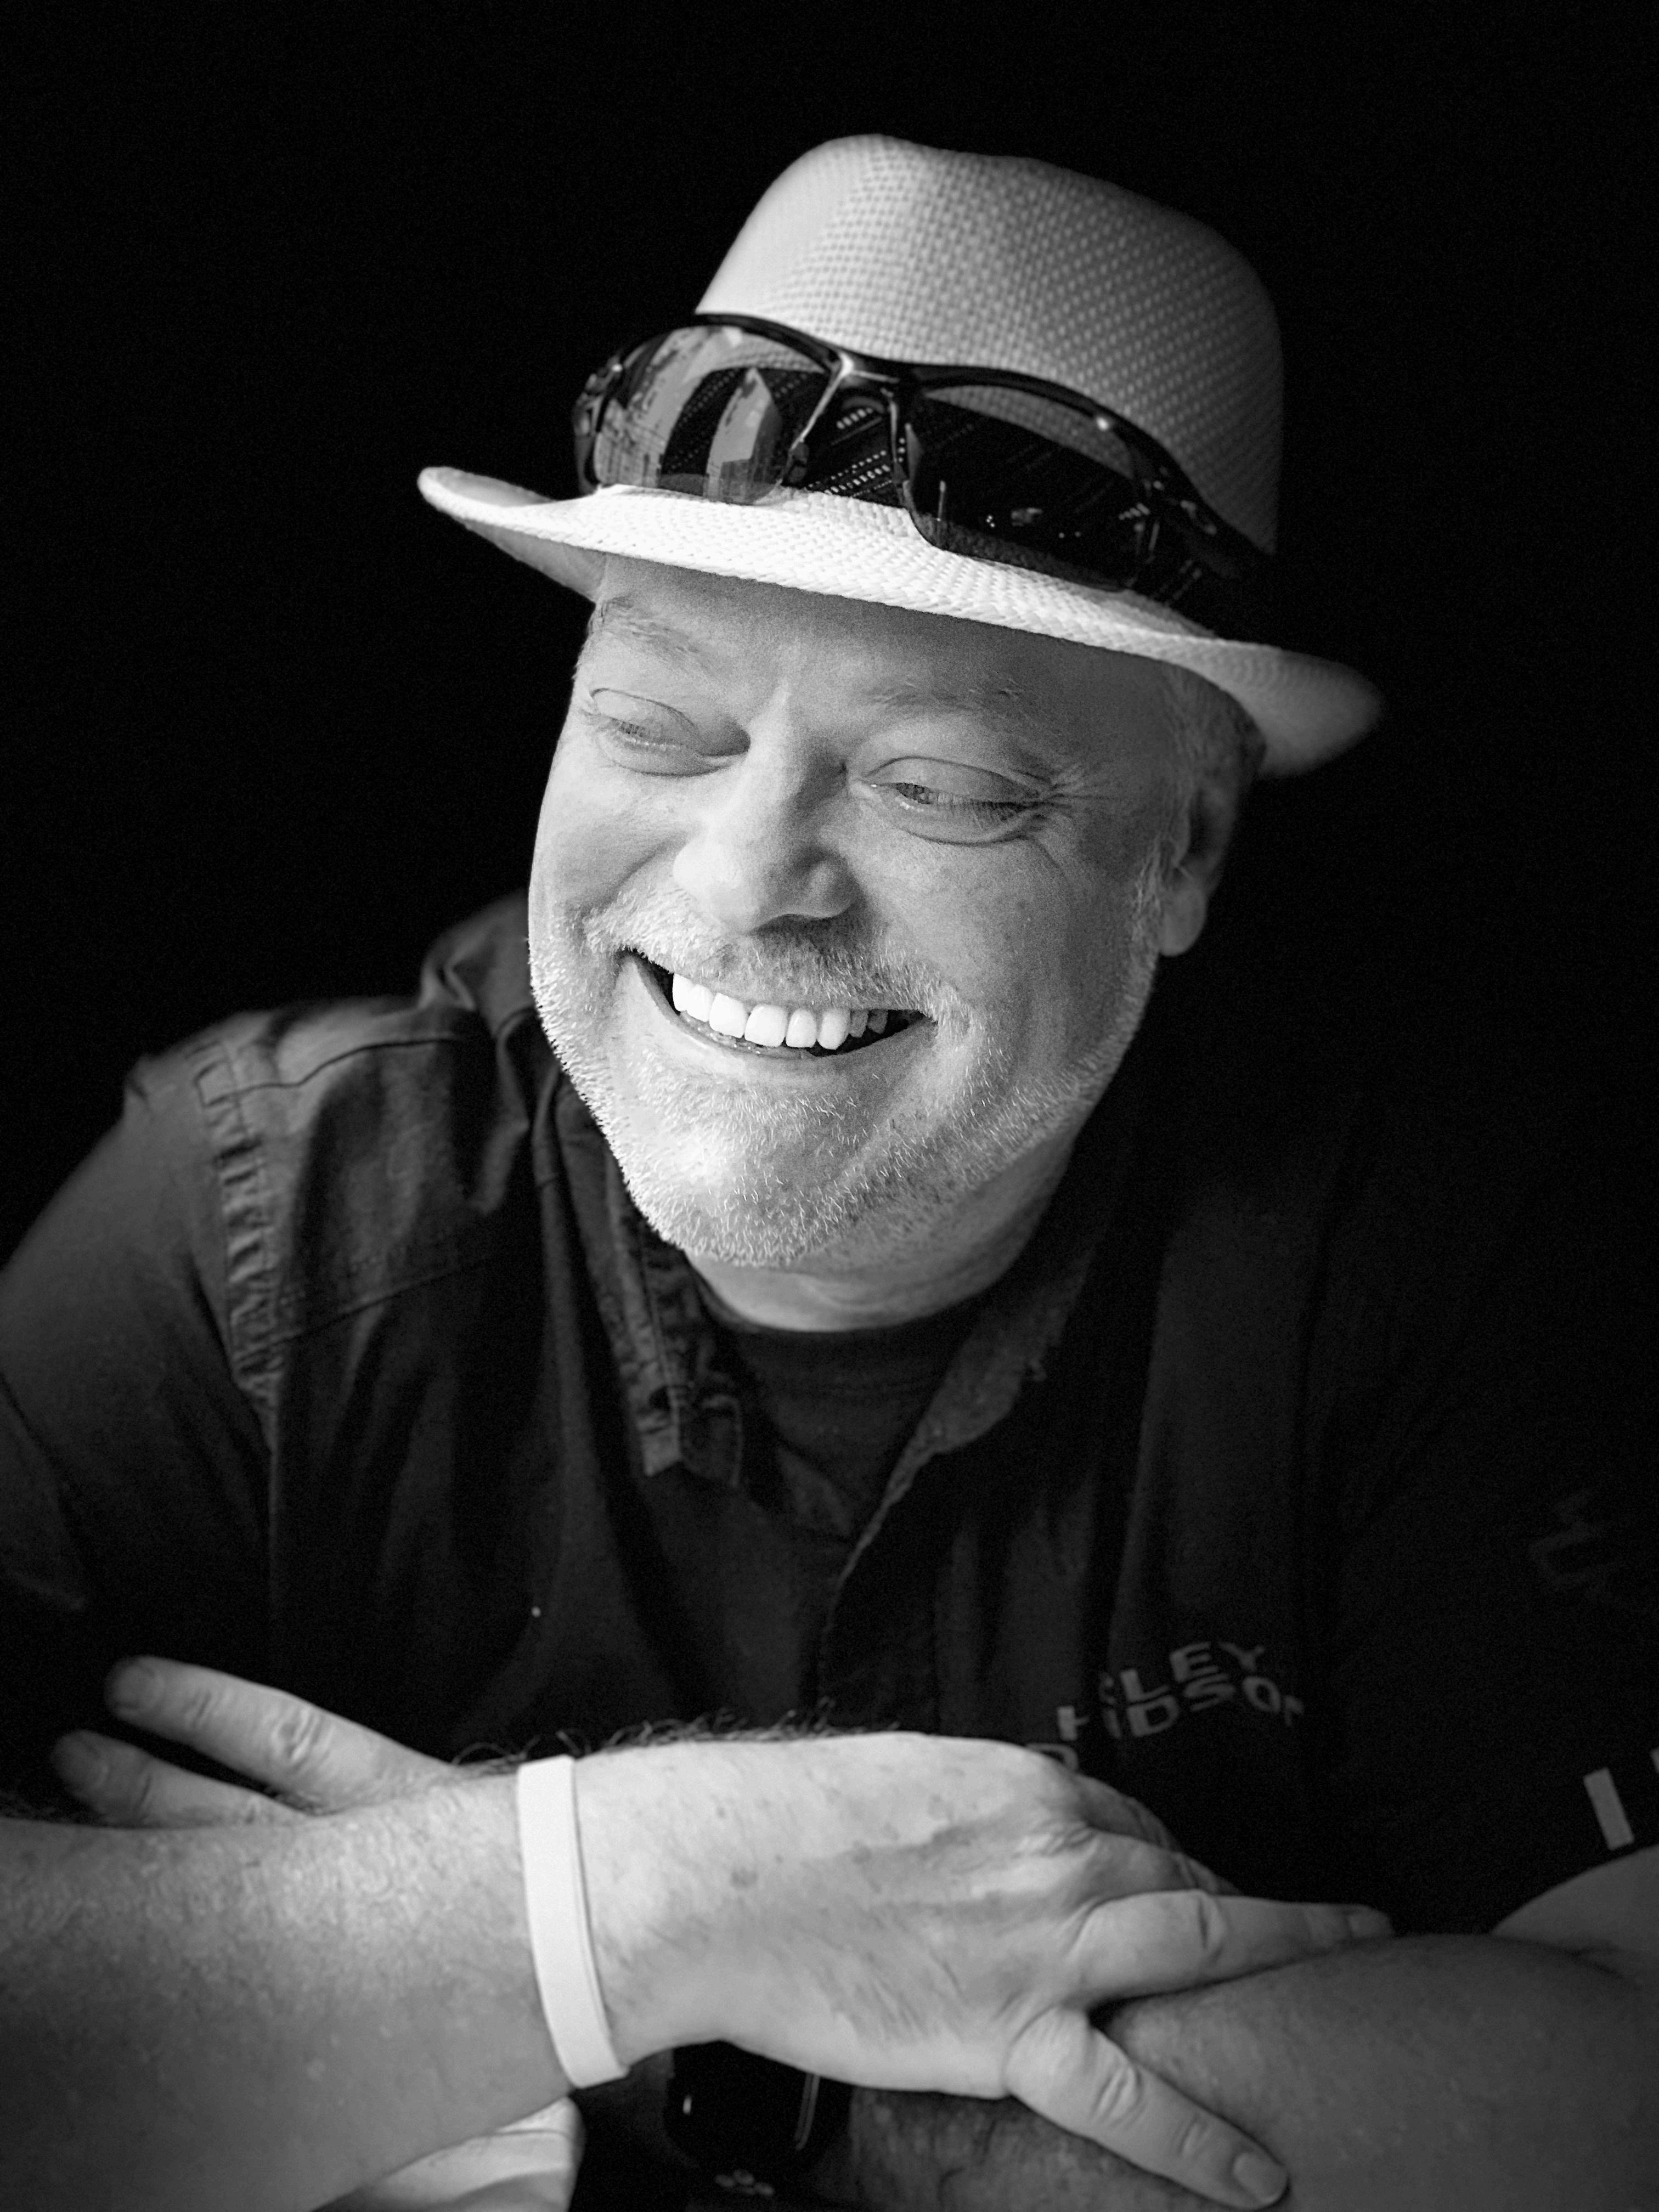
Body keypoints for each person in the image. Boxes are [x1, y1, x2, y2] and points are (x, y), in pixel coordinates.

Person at [1, 134, 1655, 2212]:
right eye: (660, 727)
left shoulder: (1421, 1249)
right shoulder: (255, 1225)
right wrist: (648, 1895)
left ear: (1184, 851)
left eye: (932, 781)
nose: (745, 884)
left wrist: (650, 2047)